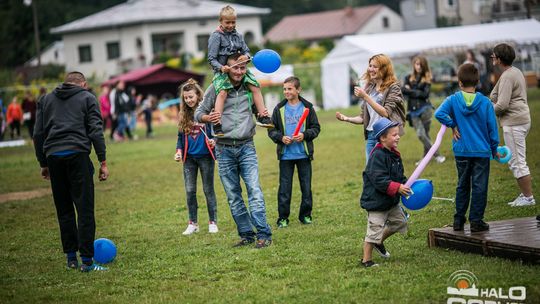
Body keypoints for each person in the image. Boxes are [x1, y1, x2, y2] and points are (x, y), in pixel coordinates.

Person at [33, 71, 109, 272]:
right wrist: (102, 161)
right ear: (83, 84)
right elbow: (95, 129)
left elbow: (38, 133)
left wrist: (43, 162)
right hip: (77, 156)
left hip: (53, 157)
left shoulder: (46, 99)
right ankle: (87, 262)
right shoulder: (87, 97)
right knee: (84, 209)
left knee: (64, 209)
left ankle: (71, 259)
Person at [195, 53, 272, 249]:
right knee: (233, 195)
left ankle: (263, 234)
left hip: (247, 147)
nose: (238, 72)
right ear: (227, 68)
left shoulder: (250, 85)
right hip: (224, 149)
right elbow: (198, 113)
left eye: (242, 68)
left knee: (254, 190)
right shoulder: (216, 87)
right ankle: (247, 235)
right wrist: (208, 118)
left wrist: (262, 113)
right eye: (235, 68)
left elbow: (257, 109)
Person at [435, 63, 499, 232]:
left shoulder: (452, 100)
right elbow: (493, 129)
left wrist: (452, 124)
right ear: (477, 82)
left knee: (462, 184)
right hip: (481, 152)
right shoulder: (485, 103)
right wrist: (494, 149)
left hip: (461, 150)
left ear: (460, 82)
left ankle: (458, 221)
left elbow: (438, 113)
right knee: (480, 186)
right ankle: (476, 221)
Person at [207, 5, 273, 136]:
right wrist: (221, 67)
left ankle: (262, 116)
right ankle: (217, 124)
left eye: (233, 22)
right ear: (221, 21)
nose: (231, 25)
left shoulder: (238, 36)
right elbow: (211, 58)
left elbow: (247, 51)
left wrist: (246, 57)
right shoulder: (216, 37)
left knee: (255, 86)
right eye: (228, 22)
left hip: (239, 69)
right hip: (224, 72)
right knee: (222, 93)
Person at [267, 76, 321, 228]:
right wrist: (281, 138)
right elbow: (272, 130)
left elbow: (316, 128)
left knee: (306, 187)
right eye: (284, 89)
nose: (286, 91)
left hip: (303, 154)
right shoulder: (279, 109)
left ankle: (305, 215)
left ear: (298, 90)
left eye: (290, 89)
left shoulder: (307, 107)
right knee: (284, 188)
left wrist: (304, 135)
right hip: (286, 155)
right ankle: (283, 218)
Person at [359, 117, 411, 268]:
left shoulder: (394, 154)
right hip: (376, 202)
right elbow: (379, 179)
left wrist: (405, 183)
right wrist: (397, 187)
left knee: (399, 222)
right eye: (394, 135)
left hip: (390, 200)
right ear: (382, 138)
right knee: (373, 231)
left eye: (398, 134)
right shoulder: (377, 156)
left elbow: (398, 174)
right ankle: (366, 261)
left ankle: (379, 242)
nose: (398, 137)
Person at [336, 54, 406, 163]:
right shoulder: (370, 87)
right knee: (370, 170)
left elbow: (386, 112)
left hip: (385, 135)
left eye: (375, 67)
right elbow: (363, 117)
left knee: (386, 168)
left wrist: (365, 96)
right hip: (371, 135)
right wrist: (347, 119)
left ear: (384, 69)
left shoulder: (393, 87)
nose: (370, 69)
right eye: (370, 66)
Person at [490, 43, 535, 207]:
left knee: (517, 161)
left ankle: (528, 198)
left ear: (499, 59)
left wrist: (486, 113)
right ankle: (525, 194)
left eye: (493, 56)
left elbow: (501, 105)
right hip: (521, 120)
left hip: (514, 122)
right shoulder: (512, 72)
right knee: (517, 159)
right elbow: (493, 95)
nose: (492, 58)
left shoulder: (508, 76)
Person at [174, 79, 219, 235]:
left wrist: (215, 141)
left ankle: (213, 222)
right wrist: (179, 151)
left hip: (206, 157)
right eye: (186, 98)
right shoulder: (183, 115)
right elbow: (180, 137)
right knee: (190, 191)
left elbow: (217, 131)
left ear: (198, 95)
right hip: (189, 160)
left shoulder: (207, 111)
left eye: (191, 97)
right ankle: (193, 223)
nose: (188, 100)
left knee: (208, 190)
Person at [402, 56, 446, 165]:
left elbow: (425, 94)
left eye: (421, 64)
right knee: (421, 134)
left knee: (425, 134)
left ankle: (425, 159)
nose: (419, 66)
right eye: (417, 64)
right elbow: (403, 90)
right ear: (414, 65)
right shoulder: (408, 77)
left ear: (424, 66)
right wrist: (416, 91)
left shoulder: (427, 78)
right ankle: (437, 155)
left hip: (425, 109)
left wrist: (410, 90)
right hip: (412, 111)